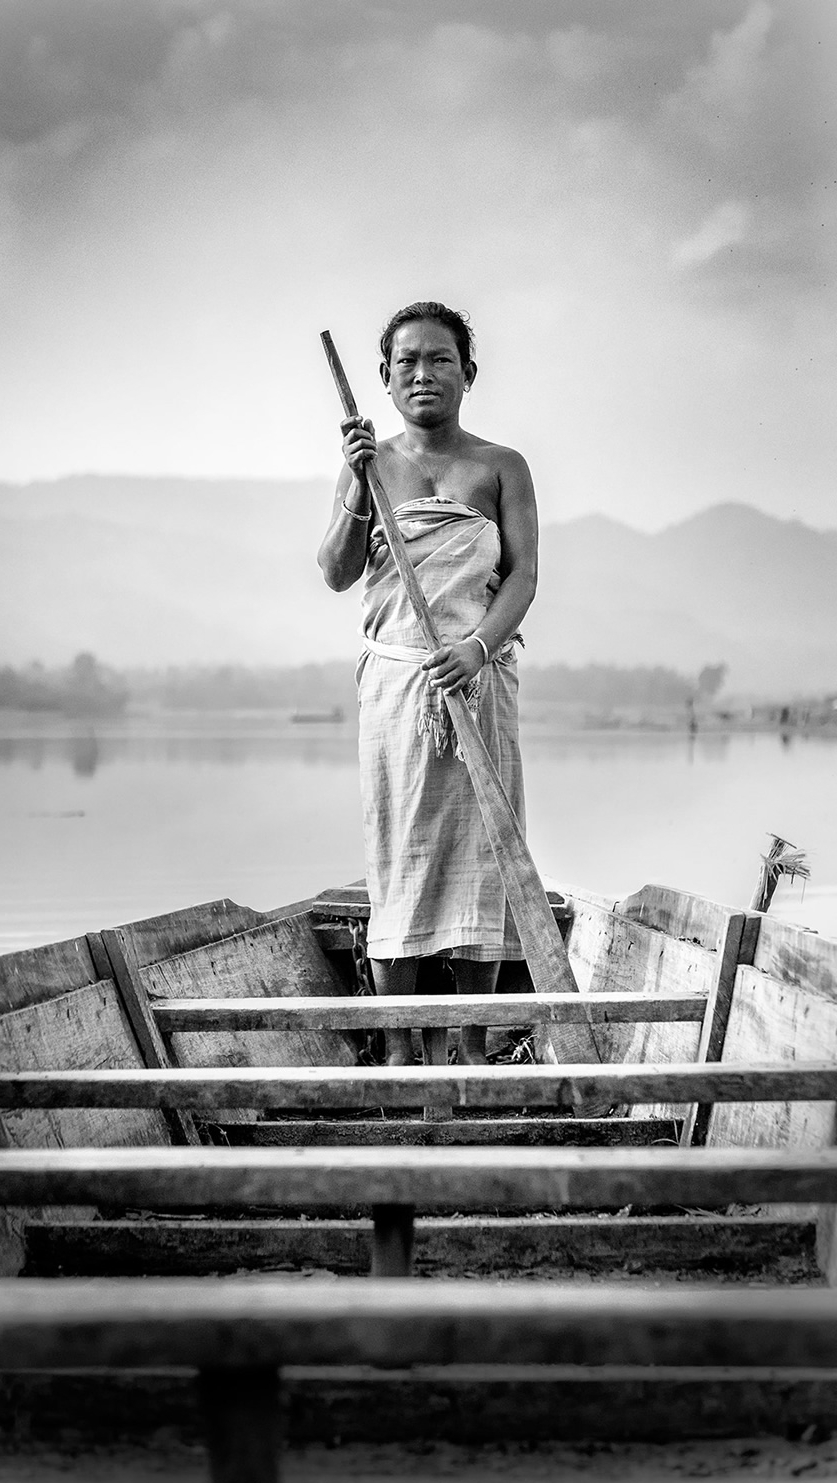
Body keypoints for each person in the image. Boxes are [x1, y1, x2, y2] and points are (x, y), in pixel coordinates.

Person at [317, 302, 538, 1065]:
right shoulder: (370, 464)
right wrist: (354, 481)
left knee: (485, 849)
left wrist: (478, 648)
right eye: (406, 361)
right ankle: (406, 1047)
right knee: (399, 853)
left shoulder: (502, 466)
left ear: (467, 375)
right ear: (383, 378)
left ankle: (472, 1047)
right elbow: (336, 572)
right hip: (397, 689)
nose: (422, 373)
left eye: (440, 359)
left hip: (476, 684)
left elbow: (523, 577)